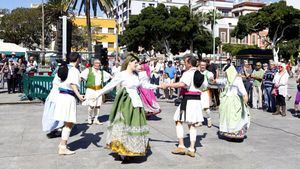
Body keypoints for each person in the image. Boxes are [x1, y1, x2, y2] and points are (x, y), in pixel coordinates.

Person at [95, 53, 162, 160]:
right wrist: (97, 94)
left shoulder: (137, 75)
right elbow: (110, 86)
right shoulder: (122, 74)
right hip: (126, 103)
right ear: (129, 62)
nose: (137, 64)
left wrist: (159, 86)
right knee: (124, 126)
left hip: (137, 103)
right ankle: (123, 152)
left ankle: (131, 149)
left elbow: (145, 85)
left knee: (135, 126)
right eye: (135, 62)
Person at [166, 54, 205, 158]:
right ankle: (192, 148)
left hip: (187, 101)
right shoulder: (200, 74)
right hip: (196, 101)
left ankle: (181, 146)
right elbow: (204, 87)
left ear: (188, 63)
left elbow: (182, 84)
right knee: (192, 124)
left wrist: (168, 85)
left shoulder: (188, 73)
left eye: (185, 62)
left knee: (178, 120)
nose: (184, 63)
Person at [52, 52, 85, 155]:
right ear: (78, 59)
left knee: (67, 121)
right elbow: (73, 84)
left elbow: (57, 82)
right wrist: (79, 95)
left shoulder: (63, 67)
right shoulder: (74, 70)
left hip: (61, 96)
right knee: (69, 122)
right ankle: (63, 146)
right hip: (68, 97)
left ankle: (62, 144)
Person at [215, 66, 250, 140]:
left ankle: (234, 131)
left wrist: (245, 100)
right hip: (229, 101)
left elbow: (243, 91)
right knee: (229, 116)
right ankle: (230, 131)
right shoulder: (228, 80)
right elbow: (220, 81)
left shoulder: (237, 79)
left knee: (234, 116)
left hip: (234, 100)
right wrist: (214, 80)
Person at [80, 59, 112, 125]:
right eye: (97, 63)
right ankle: (89, 118)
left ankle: (96, 119)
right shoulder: (88, 70)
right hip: (91, 90)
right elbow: (81, 76)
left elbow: (110, 76)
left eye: (99, 63)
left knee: (98, 105)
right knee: (91, 105)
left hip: (99, 90)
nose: (98, 64)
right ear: (93, 63)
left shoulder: (102, 72)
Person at [199, 60, 214, 128]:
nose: (202, 66)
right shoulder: (197, 73)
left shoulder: (208, 73)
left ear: (205, 66)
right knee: (198, 108)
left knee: (206, 108)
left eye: (203, 65)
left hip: (205, 92)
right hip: (198, 92)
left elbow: (211, 80)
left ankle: (209, 119)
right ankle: (199, 121)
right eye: (201, 65)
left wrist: (211, 79)